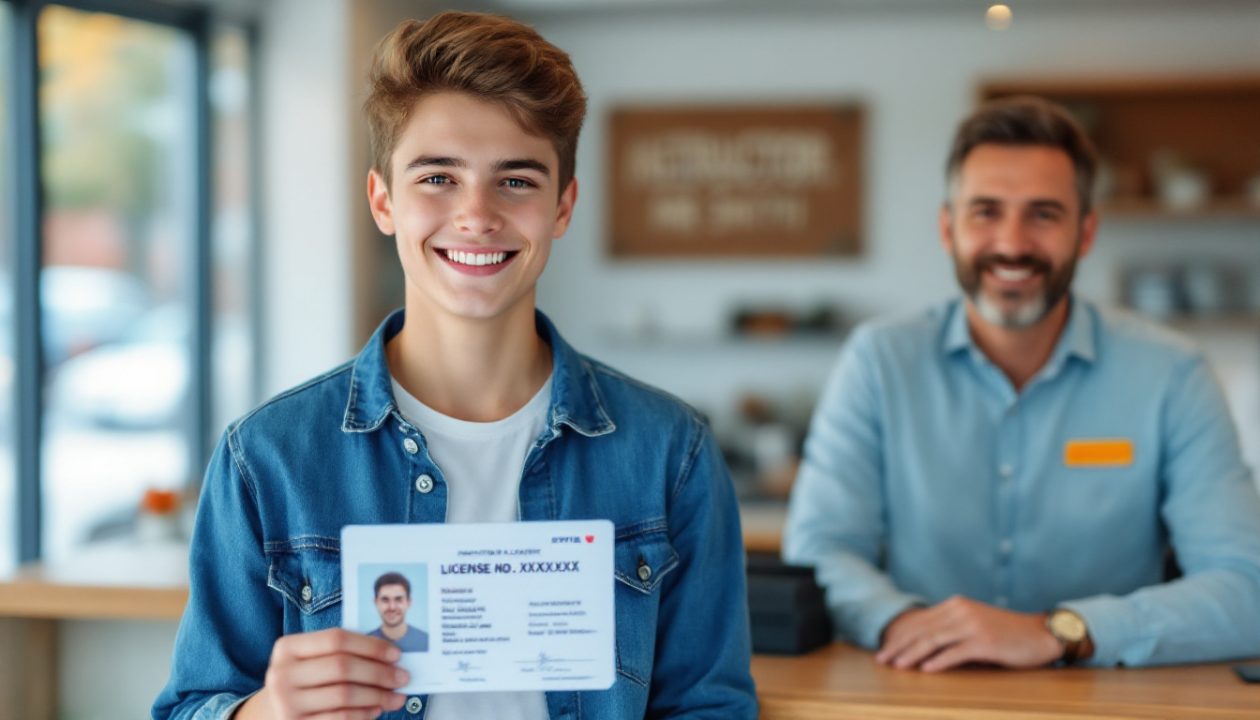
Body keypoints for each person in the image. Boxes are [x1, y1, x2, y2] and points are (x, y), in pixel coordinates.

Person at [153, 11, 755, 720]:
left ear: (563, 206)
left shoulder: (671, 454)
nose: (476, 215)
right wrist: (266, 713)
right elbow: (189, 705)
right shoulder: (266, 457)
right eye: (438, 177)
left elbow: (708, 708)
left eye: (517, 181)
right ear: (384, 201)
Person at [783, 96, 1260, 672]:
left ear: (1085, 232)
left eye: (1043, 214)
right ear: (947, 228)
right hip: (922, 692)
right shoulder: (879, 361)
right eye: (985, 211)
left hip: (1102, 706)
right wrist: (904, 623)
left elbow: (1246, 589)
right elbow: (820, 551)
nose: (1011, 244)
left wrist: (1061, 631)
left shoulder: (1172, 374)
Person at [368, 572, 428, 653]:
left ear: (409, 602)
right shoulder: (366, 642)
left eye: (398, 599)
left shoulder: (425, 641)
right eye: (385, 600)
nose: (392, 607)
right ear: (376, 602)